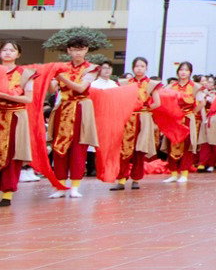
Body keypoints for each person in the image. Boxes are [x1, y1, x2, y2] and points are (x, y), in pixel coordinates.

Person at [47, 36, 99, 198]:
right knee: (58, 146)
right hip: (62, 108)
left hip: (81, 108)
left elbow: (81, 88)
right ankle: (60, 185)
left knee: (78, 146)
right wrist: (48, 77)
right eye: (75, 49)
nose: (78, 52)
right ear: (69, 50)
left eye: (81, 49)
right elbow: (51, 89)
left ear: (86, 50)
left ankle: (75, 186)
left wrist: (60, 77)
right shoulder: (61, 67)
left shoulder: (91, 68)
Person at [111, 57, 160, 191]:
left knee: (140, 149)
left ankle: (136, 179)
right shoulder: (125, 83)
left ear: (146, 68)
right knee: (124, 150)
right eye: (137, 66)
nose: (139, 68)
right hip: (128, 118)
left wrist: (146, 109)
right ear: (133, 68)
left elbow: (157, 102)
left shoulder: (151, 84)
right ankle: (121, 180)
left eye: (142, 66)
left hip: (143, 118)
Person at [0, 42, 34, 207]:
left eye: (11, 50)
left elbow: (28, 99)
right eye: (4, 50)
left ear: (18, 54)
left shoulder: (25, 74)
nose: (7, 53)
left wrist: (4, 95)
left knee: (12, 153)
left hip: (15, 116)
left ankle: (7, 194)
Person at [164, 63, 198, 183]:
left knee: (187, 144)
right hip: (174, 119)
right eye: (181, 70)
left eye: (186, 70)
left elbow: (201, 102)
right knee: (171, 143)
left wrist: (191, 113)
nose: (183, 72)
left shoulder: (195, 86)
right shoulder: (171, 86)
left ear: (190, 72)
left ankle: (184, 173)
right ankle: (173, 173)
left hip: (187, 118)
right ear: (177, 72)